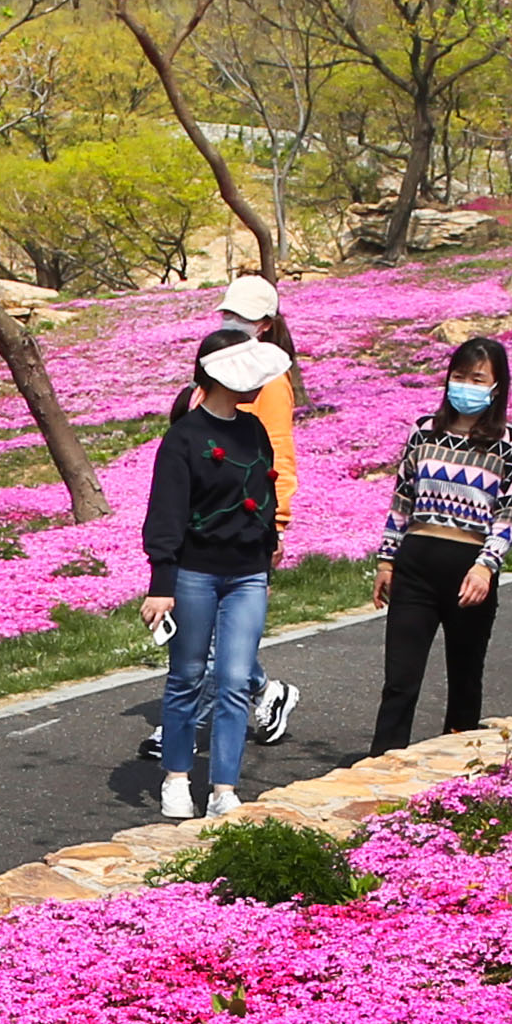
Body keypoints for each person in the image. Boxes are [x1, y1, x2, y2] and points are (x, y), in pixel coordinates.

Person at [141, 328, 292, 819]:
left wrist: (271, 543)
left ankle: (224, 789)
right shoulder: (182, 438)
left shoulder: (253, 431)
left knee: (231, 681)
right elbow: (166, 514)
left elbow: (264, 493)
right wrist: (162, 583)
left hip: (248, 575)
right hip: (195, 574)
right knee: (186, 676)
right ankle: (177, 778)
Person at [369, 336, 512, 752]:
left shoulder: (510, 443)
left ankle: (456, 768)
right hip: (416, 563)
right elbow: (402, 498)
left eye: (477, 379)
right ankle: (383, 764)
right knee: (400, 681)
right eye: (459, 377)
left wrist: (486, 565)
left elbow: (509, 512)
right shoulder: (424, 432)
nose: (466, 386)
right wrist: (387, 561)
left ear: (496, 387)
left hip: (468, 569)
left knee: (464, 676)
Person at [218, 271, 308, 746]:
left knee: (220, 629)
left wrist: (276, 522)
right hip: (209, 519)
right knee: (207, 627)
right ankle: (266, 691)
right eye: (229, 314)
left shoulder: (270, 381)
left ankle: (185, 721)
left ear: (266, 324)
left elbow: (279, 454)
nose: (234, 322)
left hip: (248, 520)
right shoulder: (218, 365)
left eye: (244, 318)